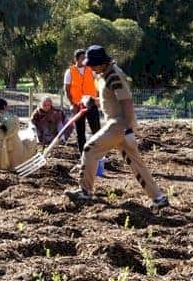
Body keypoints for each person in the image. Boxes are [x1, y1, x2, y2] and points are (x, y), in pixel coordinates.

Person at [65, 45, 169, 209]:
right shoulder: (105, 74)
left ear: (101, 63)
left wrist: (127, 129)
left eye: (93, 64)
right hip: (119, 125)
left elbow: (126, 102)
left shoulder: (114, 76)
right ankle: (159, 198)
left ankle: (84, 191)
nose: (90, 67)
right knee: (136, 163)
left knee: (89, 149)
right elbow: (110, 100)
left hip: (119, 124)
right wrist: (93, 101)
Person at [0, 98, 38, 171]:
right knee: (31, 141)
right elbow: (16, 131)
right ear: (5, 106)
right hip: (17, 153)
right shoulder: (15, 118)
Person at [64, 49, 101, 154]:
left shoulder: (91, 70)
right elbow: (67, 89)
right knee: (80, 133)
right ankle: (83, 155)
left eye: (85, 58)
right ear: (76, 59)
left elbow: (99, 83)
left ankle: (99, 154)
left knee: (97, 130)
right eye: (82, 58)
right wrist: (72, 104)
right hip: (78, 106)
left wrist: (98, 99)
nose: (84, 60)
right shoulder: (69, 72)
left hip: (91, 104)